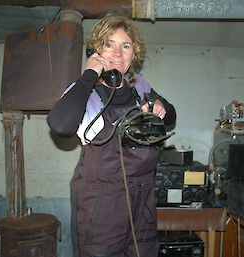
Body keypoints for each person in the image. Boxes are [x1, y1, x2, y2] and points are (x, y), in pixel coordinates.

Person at [47, 13, 176, 257]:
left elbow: (171, 117)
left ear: (133, 53)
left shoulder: (139, 86)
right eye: (109, 45)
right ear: (96, 51)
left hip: (142, 203)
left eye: (125, 46)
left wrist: (161, 105)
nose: (117, 54)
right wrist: (89, 75)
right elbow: (61, 126)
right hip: (102, 209)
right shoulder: (86, 92)